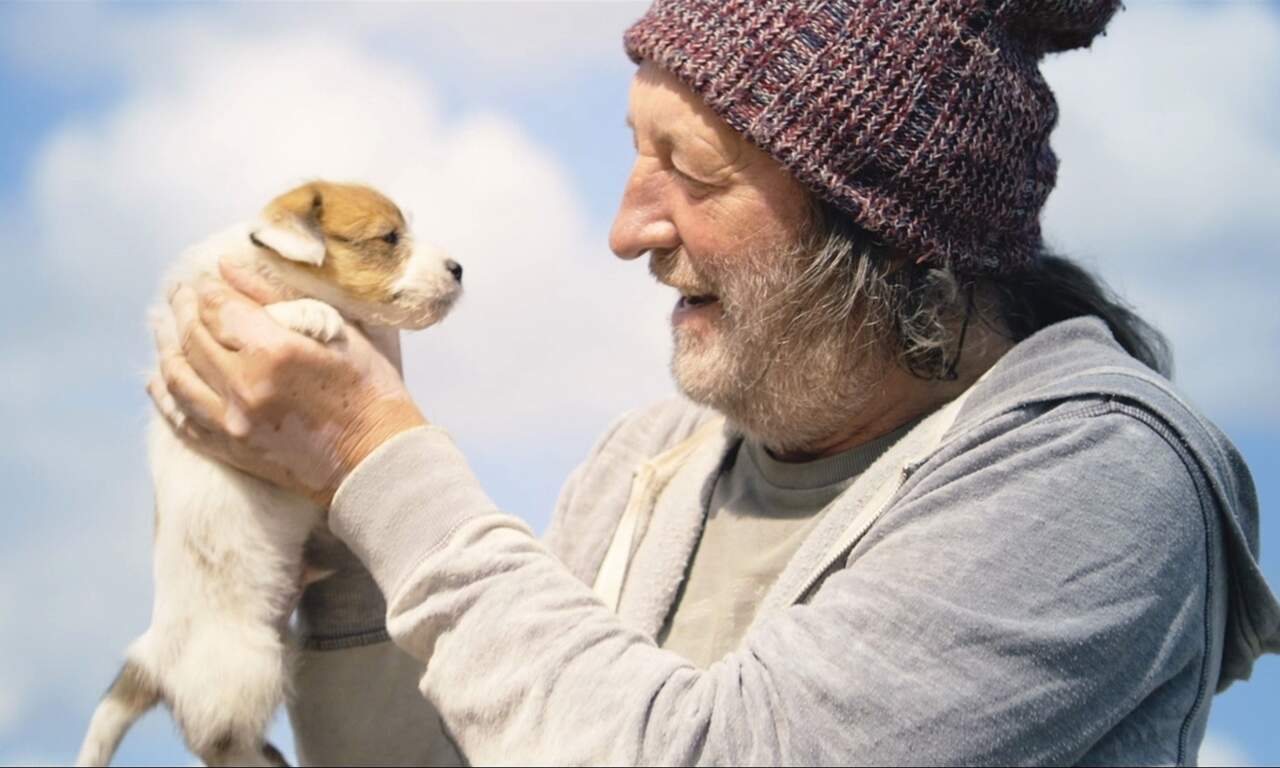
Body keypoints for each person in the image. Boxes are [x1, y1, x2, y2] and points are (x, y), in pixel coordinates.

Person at [151, 0, 1280, 764]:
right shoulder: (647, 464)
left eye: (689, 168)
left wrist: (380, 459)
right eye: (635, 154)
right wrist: (347, 550)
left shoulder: (1093, 487)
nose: (627, 227)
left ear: (888, 236)